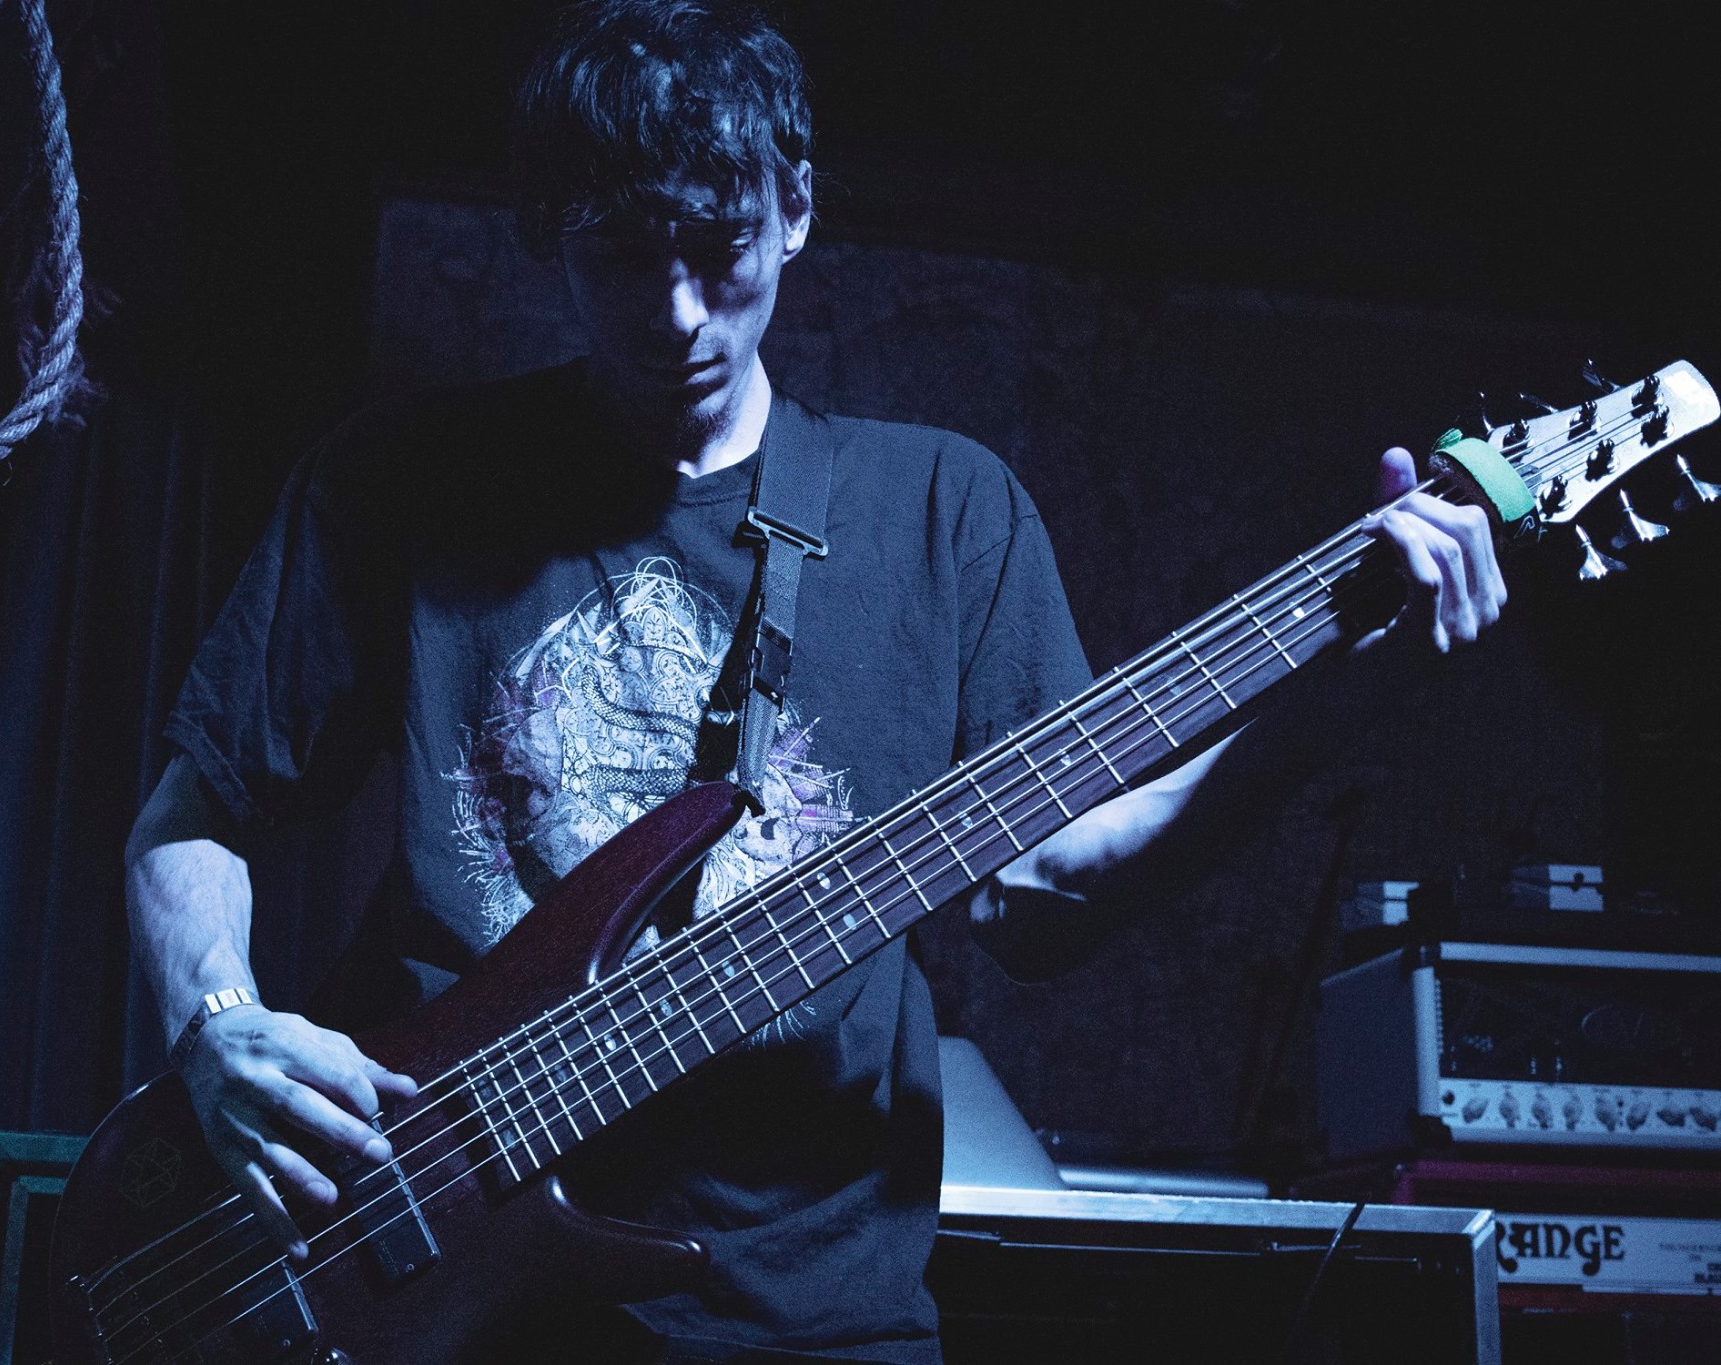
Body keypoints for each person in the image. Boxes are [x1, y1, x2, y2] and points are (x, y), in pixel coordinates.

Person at [125, 2, 1506, 1360]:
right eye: (622, 255)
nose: (676, 312)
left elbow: (1046, 890)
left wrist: (1345, 685)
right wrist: (216, 1027)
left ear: (795, 207)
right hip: (418, 1268)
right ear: (548, 235)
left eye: (718, 246)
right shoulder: (399, 483)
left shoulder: (945, 513)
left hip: (812, 1313)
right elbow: (192, 813)